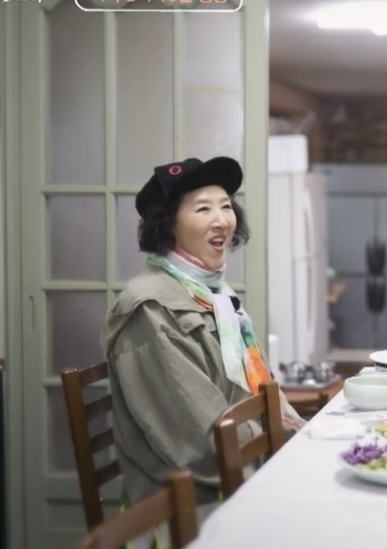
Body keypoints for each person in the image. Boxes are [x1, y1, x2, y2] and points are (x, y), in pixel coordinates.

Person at [101, 157, 306, 543]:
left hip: (238, 479)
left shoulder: (215, 297)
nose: (222, 220)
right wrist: (286, 462)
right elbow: (200, 442)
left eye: (226, 206)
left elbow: (258, 393)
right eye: (203, 209)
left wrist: (303, 440)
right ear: (168, 225)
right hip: (187, 511)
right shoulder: (150, 310)